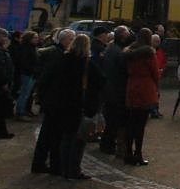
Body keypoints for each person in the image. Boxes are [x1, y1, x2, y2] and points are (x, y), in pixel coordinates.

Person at [55, 33, 103, 180]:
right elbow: (100, 81)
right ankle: (74, 169)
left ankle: (63, 168)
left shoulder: (64, 59)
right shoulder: (86, 63)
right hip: (81, 104)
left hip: (65, 102)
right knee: (79, 139)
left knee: (66, 137)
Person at [32, 28, 75, 174]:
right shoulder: (58, 55)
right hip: (55, 99)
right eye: (71, 39)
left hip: (52, 98)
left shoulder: (56, 53)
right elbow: (47, 76)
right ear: (64, 40)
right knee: (52, 134)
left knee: (50, 133)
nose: (72, 42)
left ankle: (45, 163)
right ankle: (50, 164)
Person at [124, 28, 159, 166]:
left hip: (132, 86)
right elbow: (155, 73)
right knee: (140, 124)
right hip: (145, 88)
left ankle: (128, 152)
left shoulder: (129, 53)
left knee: (131, 123)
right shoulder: (149, 54)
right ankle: (138, 153)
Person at [99, 26, 130, 157]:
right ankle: (108, 144)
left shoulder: (110, 49)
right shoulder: (118, 52)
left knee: (110, 118)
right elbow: (123, 70)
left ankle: (106, 143)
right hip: (116, 89)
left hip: (109, 87)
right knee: (113, 120)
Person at [14, 31, 40, 118]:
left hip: (30, 73)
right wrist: (32, 70)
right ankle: (20, 112)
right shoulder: (26, 48)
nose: (37, 39)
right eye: (35, 38)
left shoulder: (32, 48)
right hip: (27, 74)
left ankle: (22, 110)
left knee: (26, 94)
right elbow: (24, 62)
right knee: (24, 94)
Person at [149, 33, 167, 118]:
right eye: (156, 41)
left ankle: (155, 110)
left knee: (157, 94)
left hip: (158, 75)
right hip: (151, 76)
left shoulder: (160, 51)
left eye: (158, 41)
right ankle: (152, 110)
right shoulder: (149, 51)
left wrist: (162, 68)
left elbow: (164, 61)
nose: (157, 43)